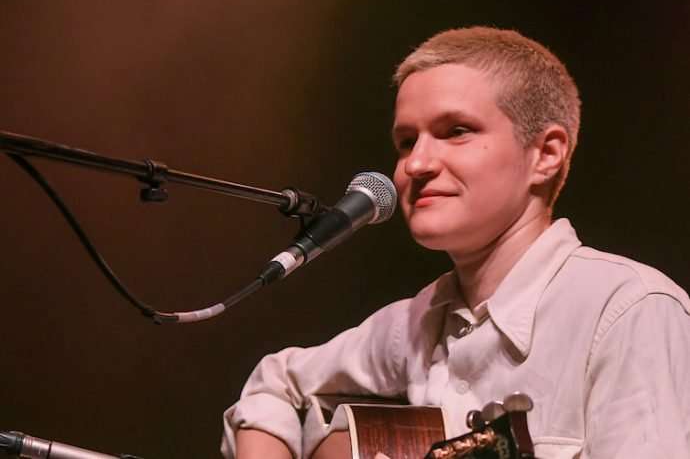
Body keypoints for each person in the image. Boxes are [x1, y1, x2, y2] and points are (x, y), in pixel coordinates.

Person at [221, 27, 690, 458]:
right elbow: (275, 384)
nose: (416, 164)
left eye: (456, 132)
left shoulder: (626, 310)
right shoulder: (412, 326)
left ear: (546, 154)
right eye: (406, 142)